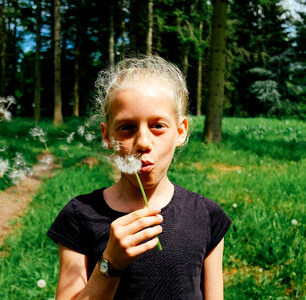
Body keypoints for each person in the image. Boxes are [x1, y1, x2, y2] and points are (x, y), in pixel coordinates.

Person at [47, 56, 231, 299]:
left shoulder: (207, 216)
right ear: (107, 135)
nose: (143, 142)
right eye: (126, 127)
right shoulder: (79, 216)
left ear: (181, 131)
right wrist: (110, 265)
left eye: (157, 126)